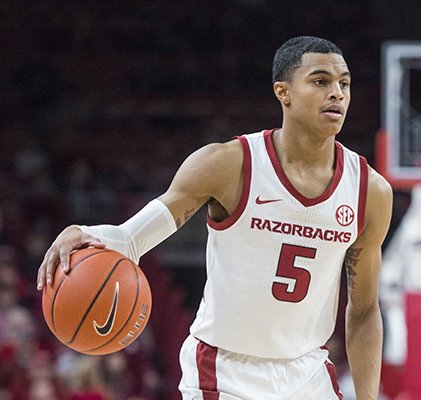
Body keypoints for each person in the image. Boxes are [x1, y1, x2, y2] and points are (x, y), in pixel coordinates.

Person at [36, 36, 393, 400]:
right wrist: (83, 231)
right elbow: (131, 238)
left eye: (344, 83)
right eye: (320, 81)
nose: (337, 93)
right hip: (224, 372)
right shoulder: (229, 164)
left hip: (308, 373)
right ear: (283, 92)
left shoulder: (370, 193)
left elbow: (363, 312)